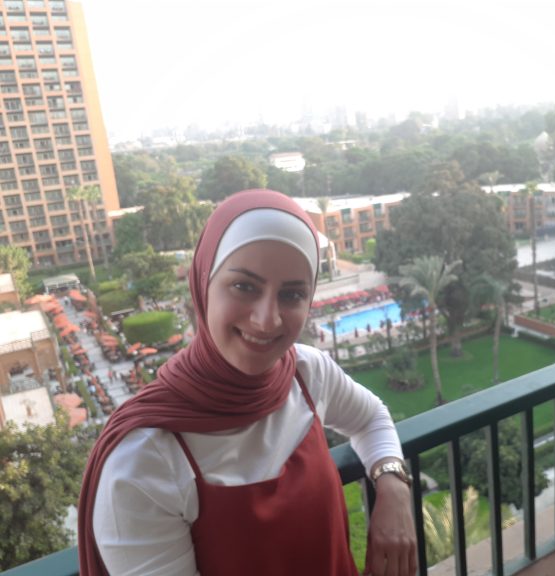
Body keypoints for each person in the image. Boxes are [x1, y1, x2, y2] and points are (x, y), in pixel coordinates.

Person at [78, 189, 417, 576]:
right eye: (244, 286)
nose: (266, 319)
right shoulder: (144, 459)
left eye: (291, 294)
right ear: (203, 284)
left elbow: (370, 417)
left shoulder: (306, 374)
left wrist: (392, 483)